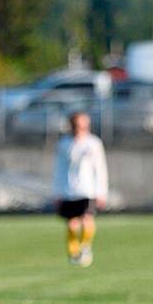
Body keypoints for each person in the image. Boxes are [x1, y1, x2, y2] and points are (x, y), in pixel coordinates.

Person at [53, 111, 108, 267]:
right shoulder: (64, 144)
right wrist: (57, 192)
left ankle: (85, 247)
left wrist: (101, 192)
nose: (81, 129)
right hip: (69, 190)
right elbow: (59, 169)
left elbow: (100, 168)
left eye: (84, 125)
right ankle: (73, 251)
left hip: (88, 190)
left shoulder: (94, 143)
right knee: (72, 224)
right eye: (77, 125)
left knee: (87, 220)